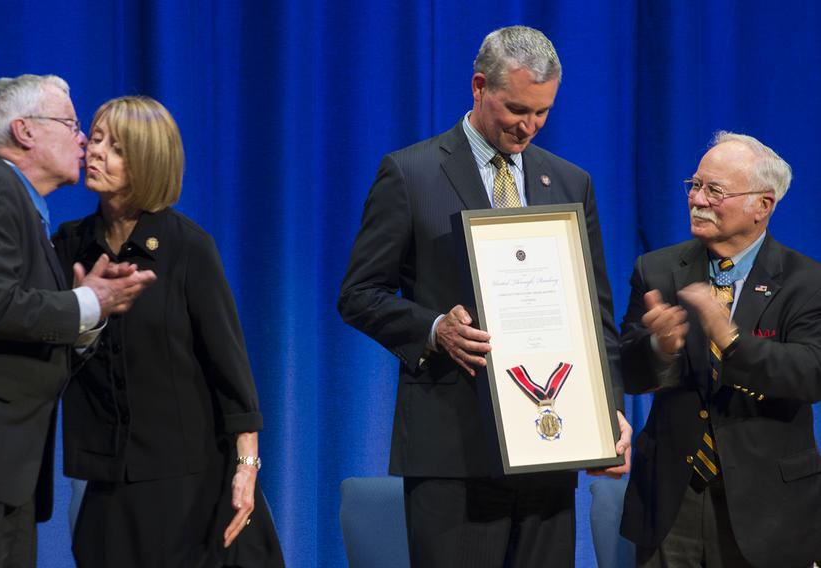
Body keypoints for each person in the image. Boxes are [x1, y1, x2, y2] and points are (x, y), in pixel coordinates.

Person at [337, 25, 630, 567]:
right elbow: (358, 294)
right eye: (517, 108)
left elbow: (596, 314)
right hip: (453, 451)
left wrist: (605, 411)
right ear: (478, 86)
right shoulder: (410, 173)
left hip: (549, 446)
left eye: (543, 112)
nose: (530, 126)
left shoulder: (569, 183)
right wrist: (432, 329)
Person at [0, 74, 156, 568]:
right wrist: (88, 301)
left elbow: (18, 326)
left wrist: (88, 317)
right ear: (24, 132)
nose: (83, 139)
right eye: (71, 124)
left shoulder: (22, 208)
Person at [54, 96, 283, 567]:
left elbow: (231, 371)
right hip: (103, 477)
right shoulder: (68, 244)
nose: (94, 152)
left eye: (114, 147)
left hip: (187, 484)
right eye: (94, 139)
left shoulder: (186, 248)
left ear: (147, 161)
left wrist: (247, 468)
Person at [619, 132, 821, 567]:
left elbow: (811, 372)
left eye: (715, 190)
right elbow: (628, 373)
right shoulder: (656, 269)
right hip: (672, 499)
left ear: (763, 205)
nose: (698, 199)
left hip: (769, 506)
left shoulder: (806, 281)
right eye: (695, 185)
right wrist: (658, 346)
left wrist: (730, 341)